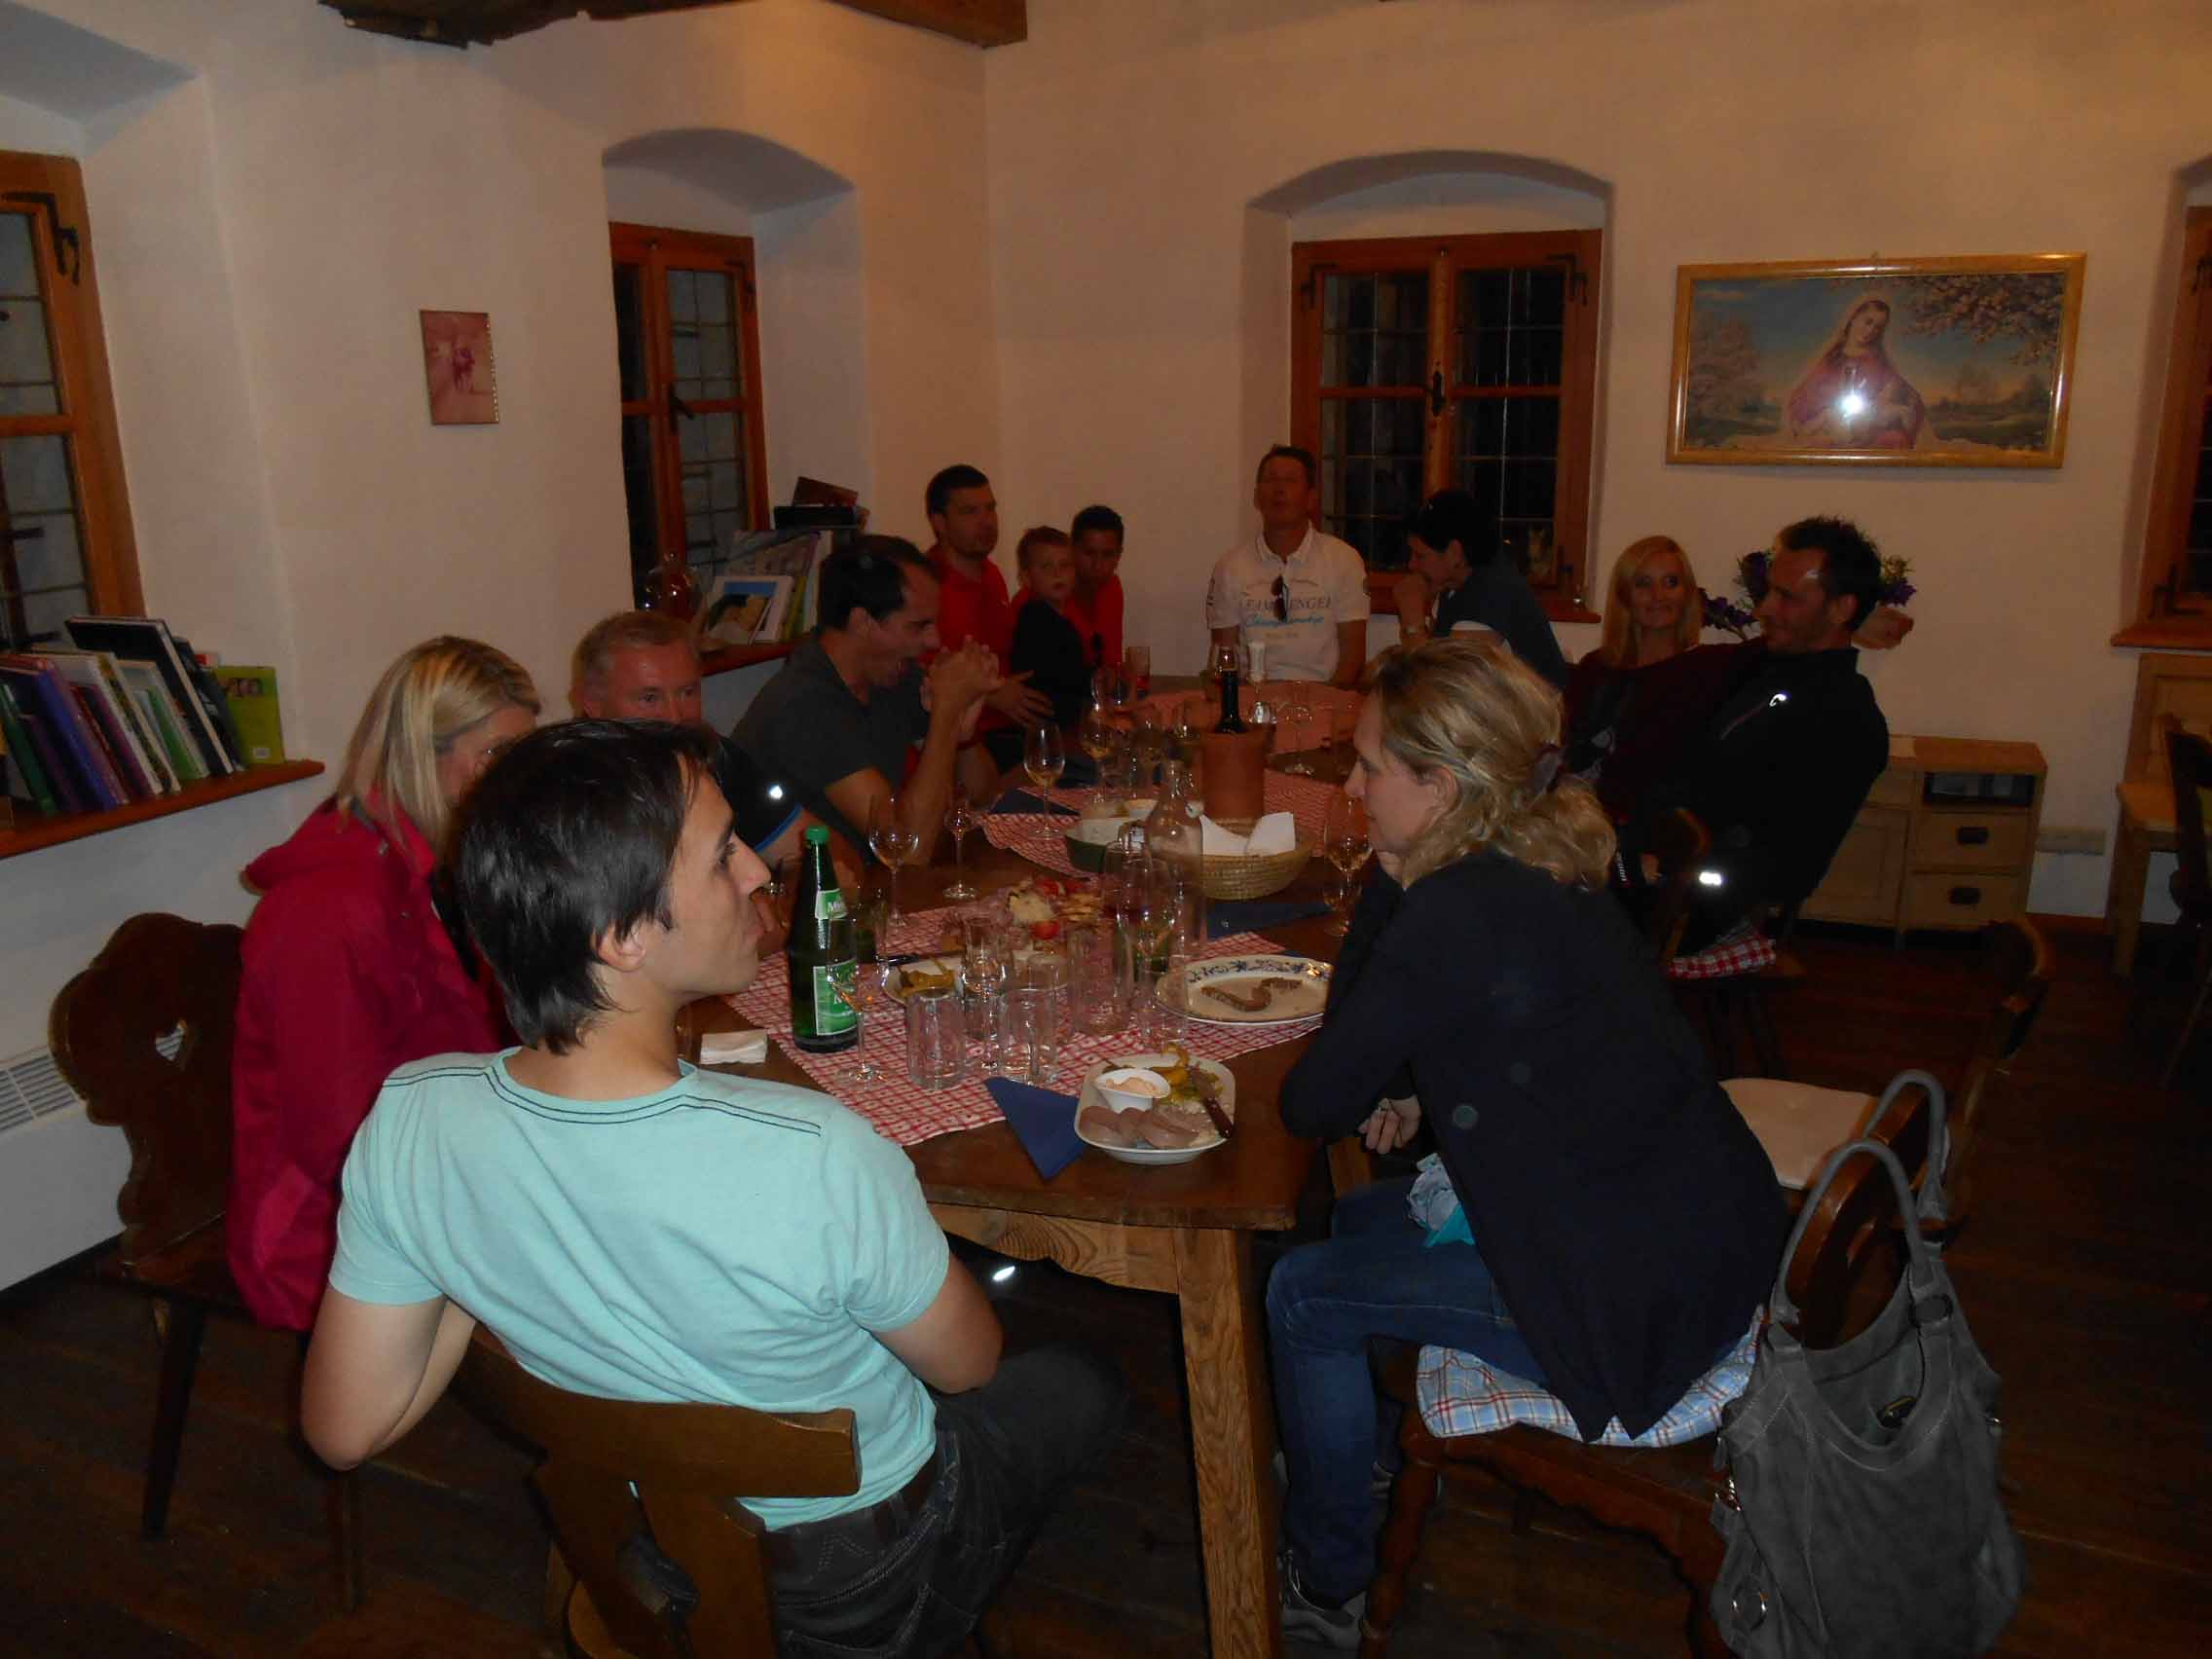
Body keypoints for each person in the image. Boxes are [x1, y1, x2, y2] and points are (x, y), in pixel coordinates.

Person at [299, 719, 1124, 1657]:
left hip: (645, 1546)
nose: (759, 871)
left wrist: (460, 1239)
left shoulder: (410, 1120)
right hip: (862, 1581)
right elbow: (968, 1366)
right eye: (723, 854)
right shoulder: (815, 1151)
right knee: (1081, 1382)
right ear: (622, 936)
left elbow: (344, 1431)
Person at [1265, 640, 1786, 1648]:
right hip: (1703, 1237)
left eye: (1370, 766)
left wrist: (1387, 889)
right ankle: (1356, 1455)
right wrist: (1410, 1081)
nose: (1353, 788)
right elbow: (1515, 1036)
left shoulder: (1448, 907)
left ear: (1442, 787)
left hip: (1623, 1311)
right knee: (1361, 1219)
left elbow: (1314, 1101)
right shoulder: (1537, 863)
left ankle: (1326, 1579)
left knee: (1302, 1295)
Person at [227, 637, 538, 1331]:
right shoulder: (327, 908)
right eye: (497, 754)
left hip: (435, 1154)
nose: (519, 779)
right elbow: (335, 1136)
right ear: (419, 756)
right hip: (328, 1229)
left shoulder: (444, 862)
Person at [1624, 515, 1895, 951]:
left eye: (1787, 597)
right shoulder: (1771, 673)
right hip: (1656, 871)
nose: (1764, 608)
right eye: (1769, 591)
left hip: (1690, 912)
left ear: (1841, 609)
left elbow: (1773, 865)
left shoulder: (1843, 718)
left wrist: (1642, 869)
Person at [1564, 535, 1912, 822]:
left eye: (1671, 582)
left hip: (1651, 833)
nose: (1658, 596)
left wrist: (1855, 620)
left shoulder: (1716, 665)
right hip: (1580, 820)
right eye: (1643, 584)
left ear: (1688, 592)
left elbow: (1804, 636)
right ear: (1624, 595)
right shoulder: (1596, 668)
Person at [729, 535, 998, 860]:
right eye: (919, 626)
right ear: (862, 623)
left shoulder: (892, 672)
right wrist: (945, 714)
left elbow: (982, 797)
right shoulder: (803, 703)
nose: (934, 640)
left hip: (869, 879)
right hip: (812, 889)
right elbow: (904, 852)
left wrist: (961, 731)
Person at [571, 608, 809, 863]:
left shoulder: (712, 754)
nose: (675, 717)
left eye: (687, 692)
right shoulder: (572, 797)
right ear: (593, 703)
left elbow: (809, 847)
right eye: (649, 698)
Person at [1207, 445, 1370, 685]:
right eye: (1271, 480)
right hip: (1252, 696)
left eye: (1291, 481)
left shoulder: (1344, 560)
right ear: (1257, 497)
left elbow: (1352, 661)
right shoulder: (1230, 567)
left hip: (1323, 695)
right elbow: (1223, 659)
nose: (1279, 490)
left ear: (1311, 498)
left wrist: (1321, 702)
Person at [1390, 488, 1568, 689]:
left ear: (1454, 553)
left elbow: (1442, 689)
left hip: (1529, 709)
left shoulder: (1490, 593)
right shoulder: (1455, 585)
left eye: (1420, 555)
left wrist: (1412, 618)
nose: (1411, 565)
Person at [989, 526, 1093, 778]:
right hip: (1044, 734)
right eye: (1046, 567)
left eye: (1065, 565)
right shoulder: (1035, 618)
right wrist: (1094, 683)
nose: (1058, 573)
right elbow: (1064, 673)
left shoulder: (1062, 620)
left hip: (1060, 727)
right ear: (1026, 578)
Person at [1783, 295, 1927, 451]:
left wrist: (1894, 409)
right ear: (1853, 318)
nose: (1871, 330)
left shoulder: (1880, 364)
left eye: (1878, 327)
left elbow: (1904, 400)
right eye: (1868, 322)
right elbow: (1804, 399)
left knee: (1894, 439)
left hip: (1868, 431)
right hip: (1831, 429)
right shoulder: (1831, 359)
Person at [1069, 502, 1127, 674]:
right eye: (1089, 553)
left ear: (1118, 556)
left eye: (1107, 555)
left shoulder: (1112, 587)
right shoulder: (1043, 594)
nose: (1098, 565)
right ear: (1072, 549)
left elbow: (1110, 664)